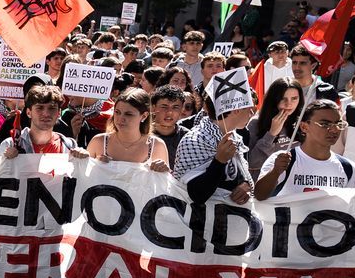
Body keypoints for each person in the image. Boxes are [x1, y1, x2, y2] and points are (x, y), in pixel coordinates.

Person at [174, 70, 256, 204]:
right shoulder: (196, 140)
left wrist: (245, 185)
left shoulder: (236, 137)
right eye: (249, 108)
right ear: (237, 110)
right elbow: (196, 194)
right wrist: (219, 161)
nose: (252, 113)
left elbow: (242, 178)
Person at [255, 100, 355, 196]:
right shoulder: (283, 159)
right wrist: (275, 171)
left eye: (338, 124)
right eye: (325, 124)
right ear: (304, 127)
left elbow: (347, 208)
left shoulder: (347, 167)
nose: (334, 130)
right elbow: (259, 196)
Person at [86, 88, 169, 170]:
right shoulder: (98, 141)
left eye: (128, 114)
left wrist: (162, 170)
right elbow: (83, 177)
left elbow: (162, 181)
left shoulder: (157, 146)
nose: (120, 118)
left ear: (144, 116)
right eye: (117, 112)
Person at [245, 78, 302, 174]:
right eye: (283, 98)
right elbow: (251, 163)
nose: (289, 104)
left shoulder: (302, 122)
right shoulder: (256, 123)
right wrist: (271, 134)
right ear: (273, 99)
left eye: (294, 98)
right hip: (266, 183)